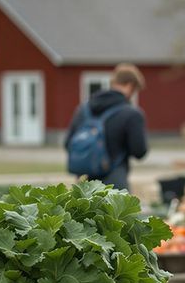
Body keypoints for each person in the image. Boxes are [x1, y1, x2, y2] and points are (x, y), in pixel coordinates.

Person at [63, 63, 148, 191]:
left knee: (86, 211)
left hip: (84, 182)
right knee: (118, 211)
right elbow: (139, 151)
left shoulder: (84, 109)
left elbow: (67, 143)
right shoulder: (132, 114)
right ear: (130, 86)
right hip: (114, 181)